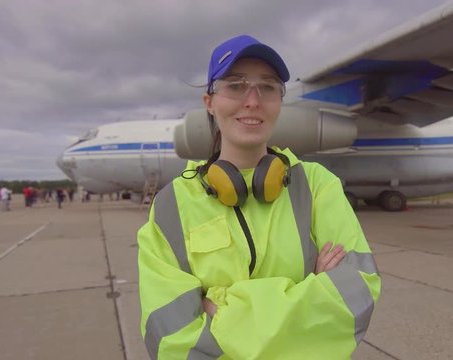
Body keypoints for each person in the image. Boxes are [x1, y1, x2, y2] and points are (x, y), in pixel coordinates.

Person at [137, 35, 381, 359]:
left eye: (267, 87)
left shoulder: (317, 185)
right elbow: (170, 338)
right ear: (209, 102)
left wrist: (223, 310)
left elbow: (354, 294)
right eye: (236, 85)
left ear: (280, 101)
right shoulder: (171, 206)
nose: (253, 101)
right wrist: (309, 295)